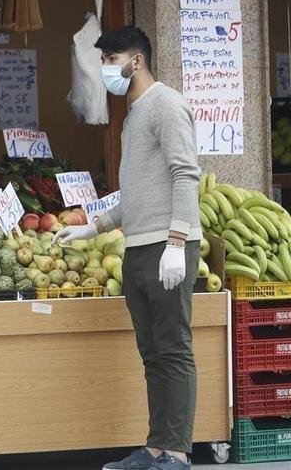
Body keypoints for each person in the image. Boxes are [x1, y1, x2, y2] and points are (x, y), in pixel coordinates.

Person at [54, 26, 201, 470]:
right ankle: (157, 445)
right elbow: (135, 192)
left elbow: (185, 174)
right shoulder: (134, 114)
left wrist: (177, 241)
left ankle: (177, 452)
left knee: (173, 349)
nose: (105, 69)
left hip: (166, 247)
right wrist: (93, 227)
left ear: (136, 60)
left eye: (111, 58)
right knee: (153, 353)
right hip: (137, 248)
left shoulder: (167, 104)